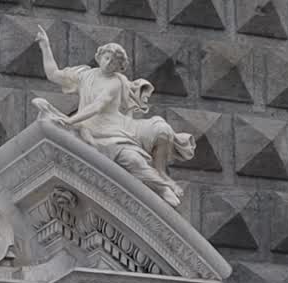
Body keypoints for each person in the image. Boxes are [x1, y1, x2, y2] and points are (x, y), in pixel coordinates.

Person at [31, 26, 194, 207]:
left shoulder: (115, 82)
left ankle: (161, 174)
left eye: (114, 63)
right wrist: (45, 46)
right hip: (96, 130)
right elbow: (53, 74)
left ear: (119, 68)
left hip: (118, 127)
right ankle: (162, 187)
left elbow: (98, 105)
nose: (109, 63)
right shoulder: (84, 74)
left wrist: (70, 120)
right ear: (99, 56)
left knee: (162, 129)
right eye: (107, 58)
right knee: (133, 160)